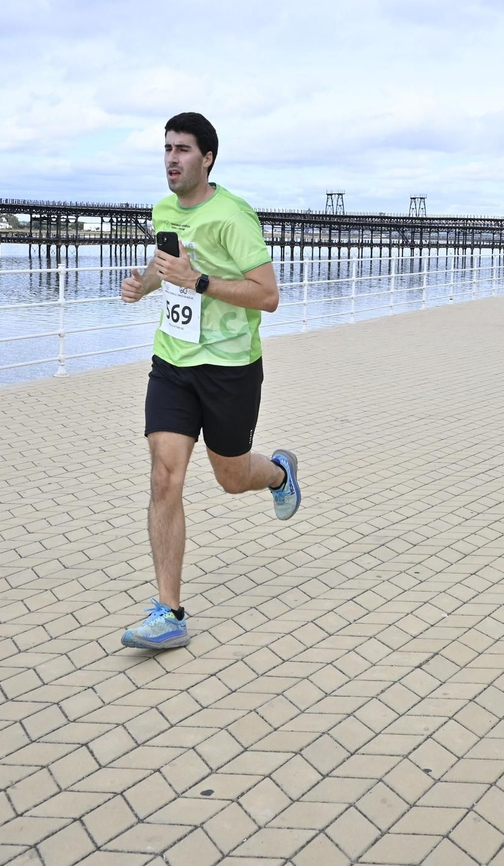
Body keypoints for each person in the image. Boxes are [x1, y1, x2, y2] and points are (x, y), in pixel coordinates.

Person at [117, 112, 302, 650]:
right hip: (173, 362)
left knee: (230, 476)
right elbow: (168, 264)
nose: (172, 159)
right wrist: (146, 285)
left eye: (183, 150)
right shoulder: (163, 209)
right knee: (163, 477)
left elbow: (267, 295)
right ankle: (168, 611)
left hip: (230, 368)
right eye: (166, 149)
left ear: (208, 158)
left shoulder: (233, 216)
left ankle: (278, 474)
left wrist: (198, 281)